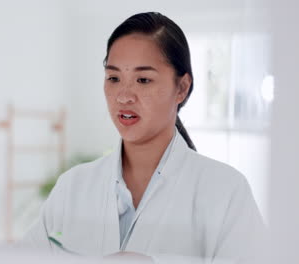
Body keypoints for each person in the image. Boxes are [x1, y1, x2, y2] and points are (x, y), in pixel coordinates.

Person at [22, 12, 265, 263]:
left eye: (143, 80)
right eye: (114, 78)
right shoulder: (71, 188)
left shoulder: (226, 191)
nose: (124, 96)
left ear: (181, 88)